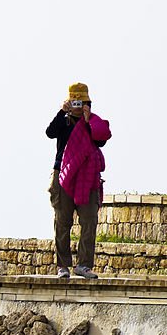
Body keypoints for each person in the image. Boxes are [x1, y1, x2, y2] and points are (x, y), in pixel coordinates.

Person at [46, 83, 111, 279]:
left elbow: (101, 139)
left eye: (80, 102)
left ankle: (84, 265)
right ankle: (63, 265)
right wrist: (61, 112)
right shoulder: (63, 122)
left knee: (89, 220)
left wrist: (87, 118)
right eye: (73, 101)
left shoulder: (92, 122)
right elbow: (50, 132)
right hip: (63, 174)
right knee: (62, 221)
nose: (76, 105)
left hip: (87, 176)